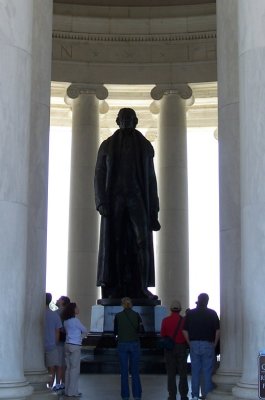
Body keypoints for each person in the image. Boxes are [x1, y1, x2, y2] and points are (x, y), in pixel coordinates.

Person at [94, 108, 160, 299]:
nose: (126, 122)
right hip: (114, 200)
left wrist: (154, 210)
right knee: (114, 242)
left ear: (136, 121)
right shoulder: (106, 146)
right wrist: (100, 202)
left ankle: (141, 287)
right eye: (123, 119)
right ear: (117, 121)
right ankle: (113, 287)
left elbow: (151, 179)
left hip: (137, 198)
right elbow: (99, 175)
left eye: (129, 119)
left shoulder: (145, 147)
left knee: (142, 242)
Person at [182, 293, 220, 400]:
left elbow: (184, 330)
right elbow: (217, 330)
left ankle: (194, 395)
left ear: (198, 300)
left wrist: (190, 342)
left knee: (195, 372)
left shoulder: (190, 313)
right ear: (207, 301)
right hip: (208, 344)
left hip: (194, 344)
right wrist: (215, 343)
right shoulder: (212, 313)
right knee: (207, 372)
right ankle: (206, 395)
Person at [114, 297, 144, 400]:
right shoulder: (136, 315)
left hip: (122, 344)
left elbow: (115, 332)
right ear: (131, 304)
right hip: (134, 344)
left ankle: (125, 396)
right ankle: (137, 395)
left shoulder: (118, 316)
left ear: (122, 304)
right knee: (135, 371)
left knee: (124, 372)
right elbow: (141, 330)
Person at [160, 300, 189, 400]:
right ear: (180, 309)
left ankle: (172, 395)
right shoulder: (184, 320)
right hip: (181, 347)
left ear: (171, 309)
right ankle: (184, 395)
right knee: (183, 372)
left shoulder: (165, 320)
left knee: (171, 373)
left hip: (169, 348)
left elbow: (163, 335)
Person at [62, 302, 88, 398]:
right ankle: (73, 392)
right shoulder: (76, 321)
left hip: (67, 344)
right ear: (73, 310)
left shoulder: (65, 321)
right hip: (75, 345)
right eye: (77, 307)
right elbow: (85, 330)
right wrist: (81, 337)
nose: (78, 309)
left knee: (68, 369)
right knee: (75, 369)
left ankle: (67, 390)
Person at [44, 292, 63, 389]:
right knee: (51, 368)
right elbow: (57, 332)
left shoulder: (38, 314)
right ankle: (50, 387)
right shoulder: (54, 315)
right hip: (51, 345)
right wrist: (55, 343)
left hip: (38, 346)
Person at [53, 295, 71, 393]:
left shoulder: (57, 313)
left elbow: (57, 328)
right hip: (66, 340)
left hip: (58, 341)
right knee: (63, 363)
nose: (57, 300)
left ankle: (58, 383)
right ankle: (64, 383)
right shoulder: (68, 313)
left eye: (59, 299)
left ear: (63, 301)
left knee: (58, 363)